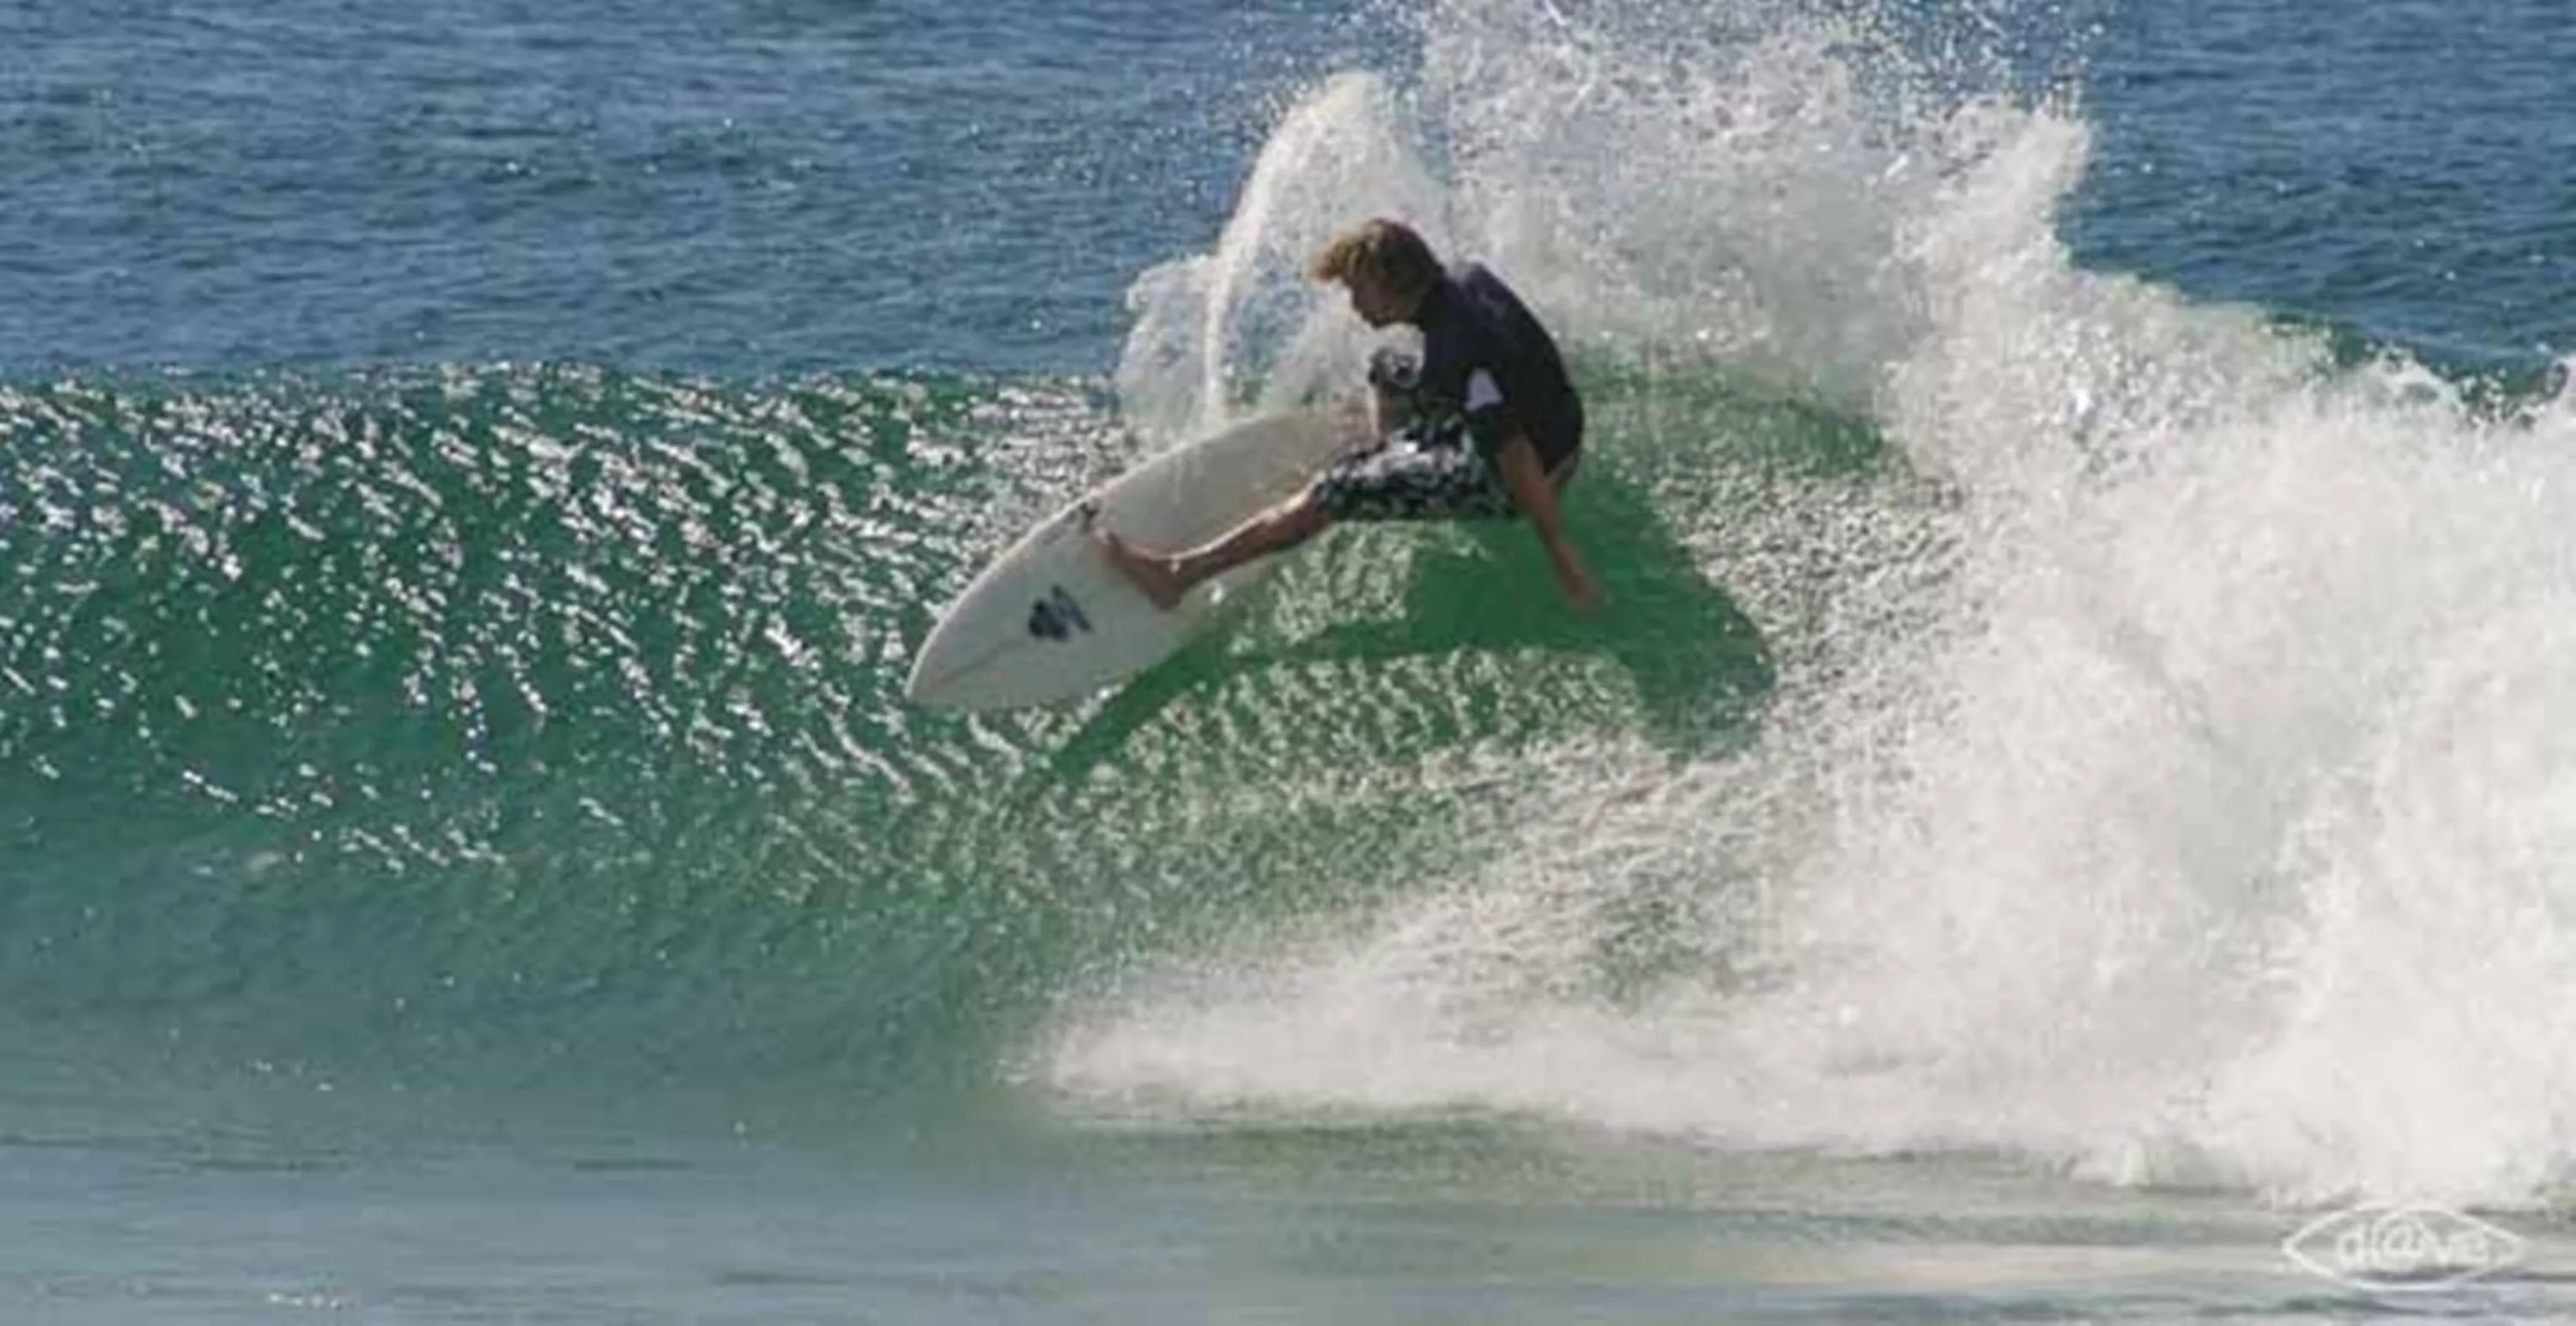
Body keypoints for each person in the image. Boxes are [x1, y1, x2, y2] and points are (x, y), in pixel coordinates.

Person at [1091, 217, 1601, 613]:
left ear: (1387, 281)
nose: (1353, 305)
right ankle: (1395, 455)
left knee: (1339, 488)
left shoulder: (1458, 351)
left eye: (1358, 291)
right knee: (1387, 367)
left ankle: (1178, 576)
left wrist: (1561, 554)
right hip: (1559, 424)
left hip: (1530, 474)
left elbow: (1513, 453)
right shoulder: (1466, 280)